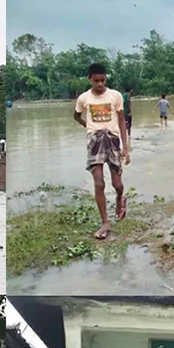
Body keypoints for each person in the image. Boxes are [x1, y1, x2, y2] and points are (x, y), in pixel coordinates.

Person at [74, 62, 130, 241]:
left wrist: (126, 147)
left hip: (112, 141)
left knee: (117, 184)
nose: (100, 84)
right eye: (96, 81)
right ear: (89, 79)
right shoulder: (84, 98)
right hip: (95, 142)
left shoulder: (115, 96)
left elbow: (122, 121)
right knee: (99, 184)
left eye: (103, 80)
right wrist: (89, 127)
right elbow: (76, 115)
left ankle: (120, 198)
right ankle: (105, 222)